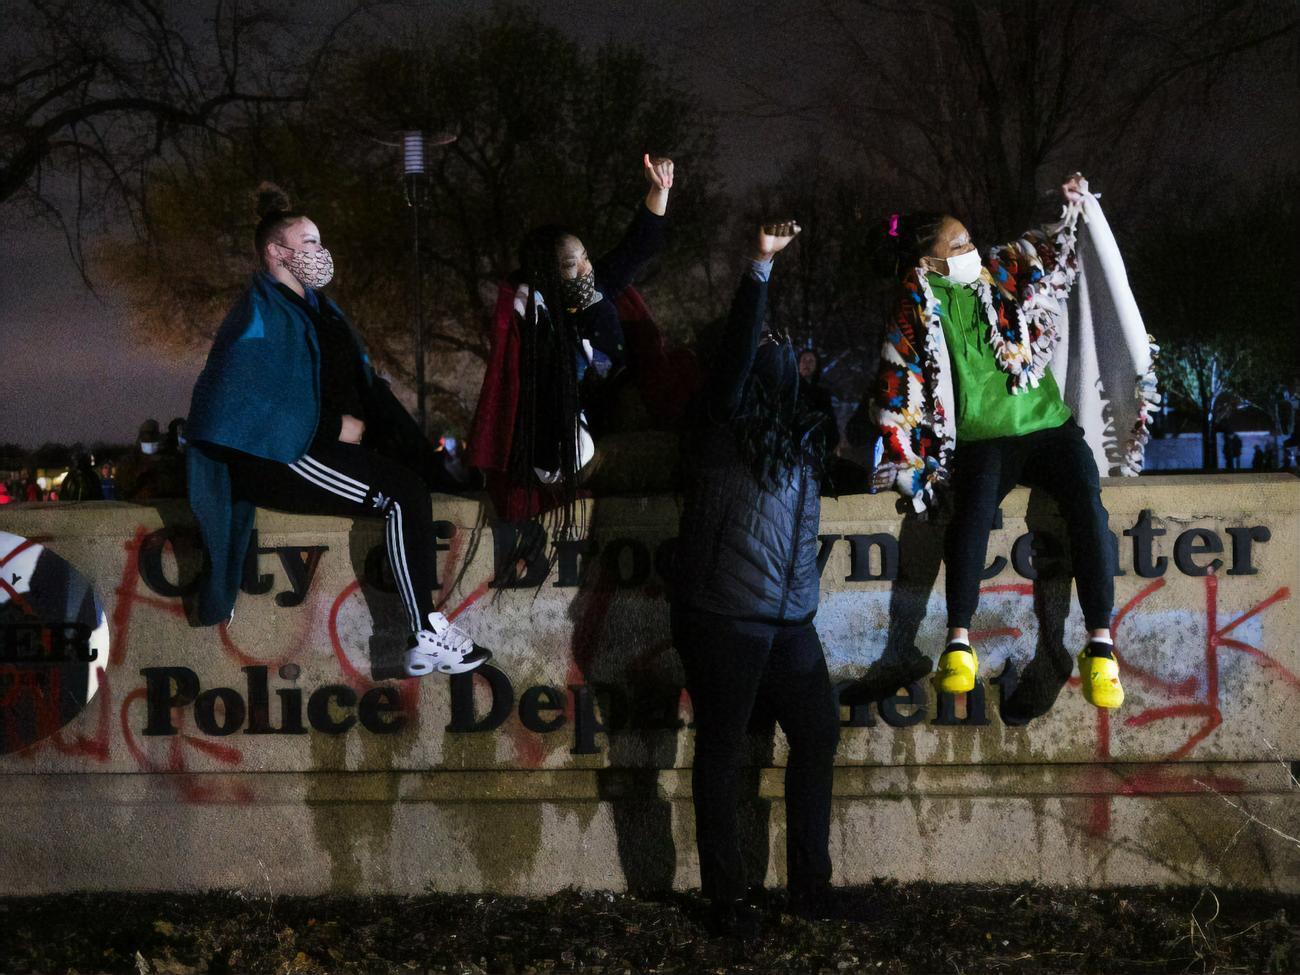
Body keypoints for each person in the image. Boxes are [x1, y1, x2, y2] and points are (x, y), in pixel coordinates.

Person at [186, 183, 489, 678]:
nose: (320, 253)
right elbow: (235, 398)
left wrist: (434, 465)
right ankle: (426, 634)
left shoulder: (322, 312)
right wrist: (330, 427)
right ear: (276, 252)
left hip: (317, 448)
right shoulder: (259, 314)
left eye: (320, 242)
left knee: (412, 486)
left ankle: (426, 634)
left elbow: (367, 385)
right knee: (400, 496)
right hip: (285, 456)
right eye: (308, 243)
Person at [868, 175, 1129, 713]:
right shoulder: (913, 312)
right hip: (984, 439)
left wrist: (1076, 203)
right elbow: (898, 390)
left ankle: (1100, 644)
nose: (971, 250)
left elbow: (1055, 248)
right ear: (930, 264)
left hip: (1048, 426)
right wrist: (909, 462)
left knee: (1087, 505)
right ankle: (958, 644)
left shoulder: (1001, 276)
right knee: (971, 517)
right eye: (958, 245)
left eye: (969, 240)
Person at [672, 220, 839, 933]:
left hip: (789, 617)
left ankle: (810, 887)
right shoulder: (720, 416)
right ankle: (726, 898)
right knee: (721, 750)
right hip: (725, 613)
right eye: (770, 345)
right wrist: (760, 271)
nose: (782, 353)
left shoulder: (800, 429)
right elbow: (743, 350)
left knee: (819, 733)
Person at [468, 154, 680, 523]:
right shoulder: (540, 328)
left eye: (585, 257)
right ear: (548, 275)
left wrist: (658, 189)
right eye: (571, 265)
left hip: (605, 415)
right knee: (673, 455)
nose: (585, 270)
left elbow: (638, 245)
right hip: (569, 454)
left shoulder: (595, 291)